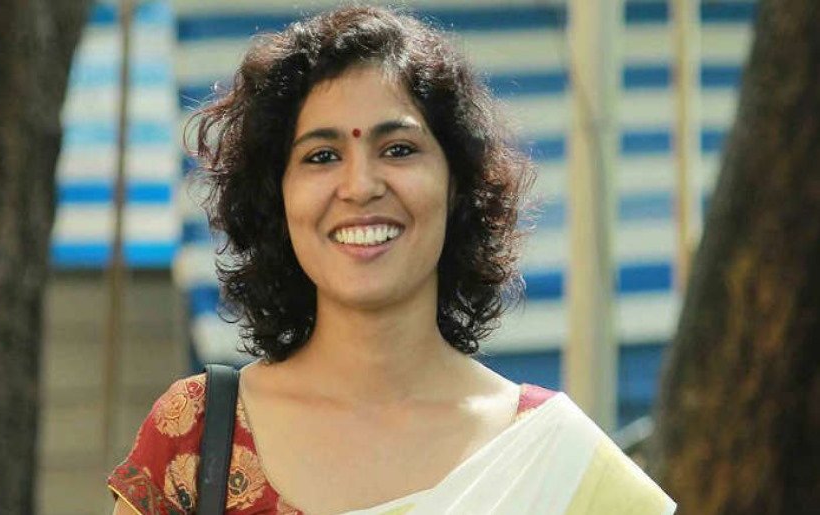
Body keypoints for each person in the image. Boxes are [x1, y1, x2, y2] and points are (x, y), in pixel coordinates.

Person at [108, 6, 675, 515]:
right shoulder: (197, 436)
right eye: (322, 156)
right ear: (276, 199)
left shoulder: (552, 460)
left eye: (398, 149)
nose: (360, 186)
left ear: (457, 185)